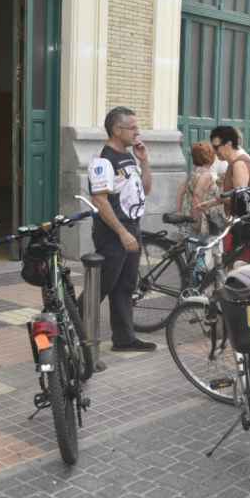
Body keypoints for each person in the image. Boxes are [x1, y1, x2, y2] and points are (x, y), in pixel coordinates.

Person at [87, 106, 156, 355]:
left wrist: (144, 161)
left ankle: (124, 338)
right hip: (113, 232)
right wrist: (121, 233)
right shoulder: (103, 162)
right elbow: (100, 201)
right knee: (101, 285)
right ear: (117, 130)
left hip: (132, 227)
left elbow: (146, 189)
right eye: (133, 127)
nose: (137, 132)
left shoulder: (129, 157)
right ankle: (73, 331)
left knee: (125, 285)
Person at [210, 126, 250, 261]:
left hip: (242, 228)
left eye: (216, 147)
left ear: (228, 144)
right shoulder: (236, 162)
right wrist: (212, 202)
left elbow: (240, 199)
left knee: (236, 271)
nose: (215, 152)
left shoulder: (238, 164)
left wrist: (219, 200)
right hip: (240, 225)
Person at [176, 141, 224, 235]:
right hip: (202, 219)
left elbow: (180, 192)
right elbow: (197, 197)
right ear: (210, 156)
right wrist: (196, 221)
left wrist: (179, 212)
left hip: (188, 214)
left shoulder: (193, 172)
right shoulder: (206, 175)